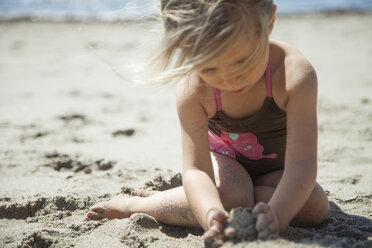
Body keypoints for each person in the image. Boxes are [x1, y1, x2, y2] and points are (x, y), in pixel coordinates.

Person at [86, 0, 329, 245]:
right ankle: (139, 205)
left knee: (316, 208)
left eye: (241, 62)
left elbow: (302, 164)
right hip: (226, 162)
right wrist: (210, 215)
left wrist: (277, 215)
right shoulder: (194, 89)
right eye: (209, 67)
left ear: (270, 22)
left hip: (279, 170)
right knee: (234, 196)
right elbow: (196, 170)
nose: (229, 80)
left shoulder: (293, 75)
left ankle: (199, 197)